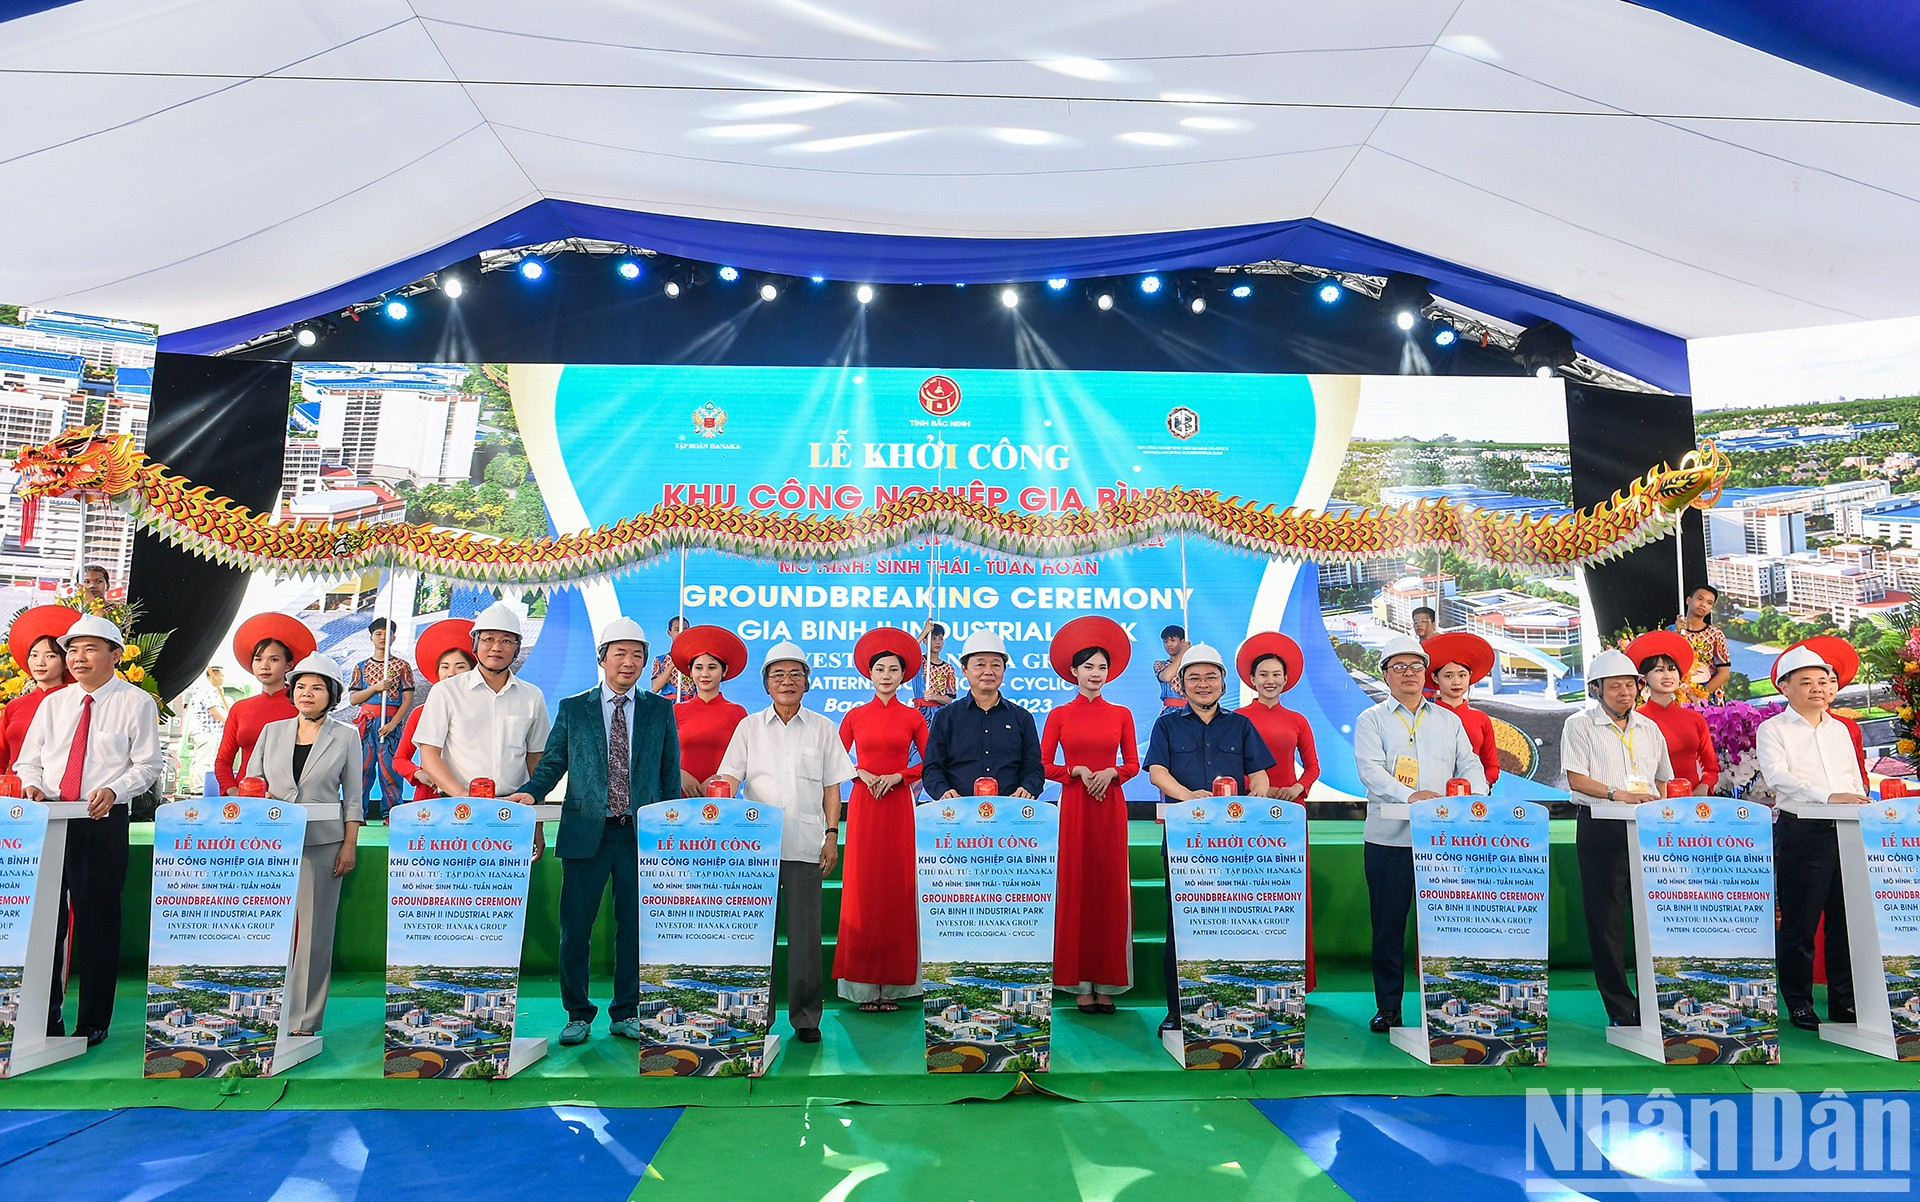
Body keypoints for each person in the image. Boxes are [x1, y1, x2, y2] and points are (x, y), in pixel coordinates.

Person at [508, 618, 677, 1046]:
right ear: (602, 658)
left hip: (641, 835)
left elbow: (668, 775)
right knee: (576, 927)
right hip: (586, 831)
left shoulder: (659, 710)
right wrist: (531, 792)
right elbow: (552, 762)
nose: (629, 662)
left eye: (638, 654)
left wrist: (671, 833)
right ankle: (578, 1014)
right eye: (620, 653)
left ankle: (626, 1012)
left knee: (635, 928)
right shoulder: (574, 707)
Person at [16, 615, 162, 1045]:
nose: (78, 658)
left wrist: (116, 790)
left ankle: (94, 1021)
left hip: (101, 820)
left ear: (116, 655)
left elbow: (148, 765)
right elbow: (30, 759)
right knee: (46, 922)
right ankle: (45, 1019)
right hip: (51, 819)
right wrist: (33, 786)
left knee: (98, 920)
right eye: (73, 650)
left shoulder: (136, 702)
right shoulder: (53, 703)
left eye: (90, 649)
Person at [714, 640, 855, 1044]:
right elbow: (729, 779)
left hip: (806, 846)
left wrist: (832, 835)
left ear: (807, 682)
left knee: (806, 938)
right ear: (766, 684)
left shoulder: (824, 728)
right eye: (778, 674)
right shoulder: (748, 728)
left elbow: (832, 789)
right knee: (754, 936)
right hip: (755, 852)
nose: (787, 681)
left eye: (796, 674)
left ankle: (806, 1018)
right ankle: (755, 1016)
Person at [1353, 635, 1485, 1033]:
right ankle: (1389, 1007)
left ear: (1425, 673)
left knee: (1447, 927)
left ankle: (1448, 1007)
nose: (1408, 674)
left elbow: (1471, 764)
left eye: (1415, 667)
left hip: (1444, 841)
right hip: (1388, 839)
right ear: (1385, 675)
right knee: (1389, 927)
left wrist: (1474, 800)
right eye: (1399, 667)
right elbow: (1371, 772)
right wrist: (1412, 795)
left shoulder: (1449, 719)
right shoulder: (1370, 720)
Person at [1145, 643, 1276, 1032]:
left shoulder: (1240, 725)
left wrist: (1256, 798)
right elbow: (1157, 773)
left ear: (1223, 683)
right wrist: (1190, 798)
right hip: (1184, 838)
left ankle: (1231, 1006)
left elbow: (1261, 775)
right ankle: (1177, 1010)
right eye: (1194, 678)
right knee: (1180, 923)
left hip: (1233, 844)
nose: (1203, 684)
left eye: (1211, 677)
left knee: (1231, 921)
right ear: (1181, 685)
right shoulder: (1167, 724)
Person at [248, 653, 361, 1036]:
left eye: (317, 687)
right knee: (265, 931)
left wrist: (349, 845)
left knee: (315, 934)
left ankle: (304, 1020)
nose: (306, 694)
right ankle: (261, 1011)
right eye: (300, 687)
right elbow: (253, 785)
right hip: (272, 845)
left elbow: (354, 798)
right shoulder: (271, 731)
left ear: (332, 695)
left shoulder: (347, 735)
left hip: (323, 842)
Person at [1758, 643, 1868, 1031]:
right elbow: (1777, 777)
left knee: (1844, 922)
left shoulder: (1839, 728)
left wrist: (1859, 802)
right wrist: (1827, 796)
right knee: (1801, 924)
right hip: (1803, 831)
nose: (1817, 688)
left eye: (1823, 681)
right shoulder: (1772, 728)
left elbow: (1853, 778)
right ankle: (1799, 1002)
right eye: (1806, 682)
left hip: (1848, 829)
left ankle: (1844, 1001)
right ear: (1784, 687)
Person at [1563, 648, 1673, 1028]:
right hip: (1601, 825)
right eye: (1615, 687)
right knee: (1606, 920)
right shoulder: (1579, 725)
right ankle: (1620, 1006)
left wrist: (1656, 804)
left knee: (1653, 917)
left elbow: (1662, 777)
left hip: (1646, 829)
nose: (1625, 693)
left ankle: (1656, 999)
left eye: (1630, 685)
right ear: (1596, 689)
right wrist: (1617, 793)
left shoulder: (1649, 728)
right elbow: (1576, 779)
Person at [1042, 616, 1139, 1014]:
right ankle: (1080, 983)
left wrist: (1113, 771)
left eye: (1101, 667)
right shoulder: (1059, 714)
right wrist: (1076, 771)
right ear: (1074, 672)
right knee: (1076, 886)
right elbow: (1044, 764)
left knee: (1108, 886)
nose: (1095, 674)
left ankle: (1108, 982)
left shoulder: (1122, 713)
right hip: (1076, 805)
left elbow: (1133, 763)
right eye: (1088, 667)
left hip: (1110, 805)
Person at [835, 627, 930, 1012]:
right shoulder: (854, 716)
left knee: (897, 887)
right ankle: (862, 985)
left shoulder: (914, 718)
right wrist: (861, 773)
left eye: (893, 669)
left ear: (903, 675)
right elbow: (835, 759)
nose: (886, 675)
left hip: (898, 805)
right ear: (869, 674)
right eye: (880, 669)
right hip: (863, 804)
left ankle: (892, 987)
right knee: (863, 887)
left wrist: (900, 776)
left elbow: (930, 763)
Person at [414, 601, 550, 857]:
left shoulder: (532, 696)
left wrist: (537, 824)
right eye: (488, 639)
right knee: (456, 892)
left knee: (510, 894)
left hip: (513, 812)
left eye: (507, 641)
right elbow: (429, 754)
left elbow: (536, 762)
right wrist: (463, 796)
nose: (496, 647)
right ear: (475, 644)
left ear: (517, 647)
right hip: (457, 813)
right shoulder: (446, 692)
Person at [1234, 630, 1320, 989]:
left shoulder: (1297, 720)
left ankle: (1296, 979)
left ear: (1287, 679)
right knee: (1249, 891)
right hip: (1251, 810)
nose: (1270, 681)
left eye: (1276, 674)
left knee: (1290, 891)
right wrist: (1259, 792)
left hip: (1290, 810)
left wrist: (1296, 788)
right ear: (1251, 680)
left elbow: (1313, 767)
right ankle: (1248, 971)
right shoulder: (1237, 717)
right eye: (1263, 675)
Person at [922, 629, 1043, 800]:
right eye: (980, 664)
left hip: (1011, 813)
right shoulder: (946, 717)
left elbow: (1034, 768)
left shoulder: (1022, 717)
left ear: (1003, 670)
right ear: (964, 670)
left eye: (995, 665)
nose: (988, 671)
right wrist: (943, 792)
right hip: (958, 813)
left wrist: (1027, 788)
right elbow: (932, 767)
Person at [214, 613, 317, 795]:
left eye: (274, 659)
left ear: (289, 665)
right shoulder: (240, 708)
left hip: (290, 800)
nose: (264, 665)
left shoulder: (303, 708)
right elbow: (223, 761)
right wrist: (235, 792)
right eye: (258, 659)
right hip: (245, 799)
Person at [1626, 630, 1718, 795]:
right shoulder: (1636, 720)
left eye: (1672, 669)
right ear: (1644, 678)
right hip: (1652, 803)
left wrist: (1703, 787)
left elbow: (1711, 768)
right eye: (1659, 670)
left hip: (1693, 803)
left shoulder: (1695, 719)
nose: (1667, 675)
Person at [392, 619, 474, 801]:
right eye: (445, 667)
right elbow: (400, 759)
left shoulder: (481, 711)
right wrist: (419, 773)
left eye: (460, 667)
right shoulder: (421, 713)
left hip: (471, 793)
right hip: (430, 798)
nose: (451, 673)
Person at [667, 624, 750, 798]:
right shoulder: (675, 710)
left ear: (724, 671)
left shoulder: (737, 713)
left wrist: (721, 779)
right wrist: (680, 775)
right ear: (690, 671)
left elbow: (745, 760)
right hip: (678, 801)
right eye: (698, 668)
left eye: (712, 667)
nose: (705, 674)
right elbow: (661, 755)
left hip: (721, 801)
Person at [0, 605, 79, 774]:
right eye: (34, 655)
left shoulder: (78, 703)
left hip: (60, 795)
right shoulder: (14, 706)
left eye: (50, 656)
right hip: (16, 793)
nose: (40, 662)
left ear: (66, 662)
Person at [347, 617, 413, 819]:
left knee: (390, 770)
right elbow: (353, 698)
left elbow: (408, 699)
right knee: (363, 768)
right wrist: (375, 688)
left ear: (394, 637)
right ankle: (357, 814)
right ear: (371, 637)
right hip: (366, 724)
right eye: (378, 633)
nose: (383, 637)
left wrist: (393, 724)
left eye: (387, 633)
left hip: (390, 724)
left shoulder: (402, 666)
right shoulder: (361, 666)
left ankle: (391, 814)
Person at [1424, 631, 1500, 789]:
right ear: (1435, 678)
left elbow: (1492, 766)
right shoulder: (1423, 716)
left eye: (1462, 675)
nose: (1456, 682)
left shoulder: (1481, 719)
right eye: (1449, 676)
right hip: (1432, 795)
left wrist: (1482, 784)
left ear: (1470, 676)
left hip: (1475, 796)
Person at [1672, 583, 1732, 705]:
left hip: (1709, 696)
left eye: (1709, 603)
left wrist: (1700, 695)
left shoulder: (1715, 634)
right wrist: (1675, 633)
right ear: (1689, 600)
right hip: (1678, 694)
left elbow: (1724, 673)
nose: (1703, 604)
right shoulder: (1671, 631)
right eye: (1700, 599)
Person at [178, 665, 229, 794]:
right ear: (212, 676)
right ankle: (200, 789)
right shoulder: (208, 691)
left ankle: (198, 788)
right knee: (204, 762)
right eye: (220, 676)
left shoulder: (215, 691)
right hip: (207, 732)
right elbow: (214, 712)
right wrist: (231, 723)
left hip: (209, 732)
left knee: (201, 761)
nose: (223, 678)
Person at [911, 622, 958, 718]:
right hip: (921, 713)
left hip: (940, 714)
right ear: (925, 641)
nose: (937, 642)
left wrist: (934, 697)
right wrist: (924, 632)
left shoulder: (948, 668)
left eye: (940, 639)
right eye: (933, 638)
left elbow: (949, 699)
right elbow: (909, 651)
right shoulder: (919, 662)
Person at [650, 615, 691, 700]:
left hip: (690, 703)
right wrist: (672, 664)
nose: (681, 633)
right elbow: (655, 688)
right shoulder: (660, 660)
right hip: (669, 705)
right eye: (677, 630)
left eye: (685, 630)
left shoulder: (694, 659)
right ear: (669, 633)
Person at [1152, 624, 1190, 715]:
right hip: (1170, 712)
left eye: (1173, 640)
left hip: (1191, 711)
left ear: (1182, 641)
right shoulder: (1160, 664)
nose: (1169, 645)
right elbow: (1166, 677)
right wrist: (1182, 653)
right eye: (1165, 641)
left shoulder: (1191, 665)